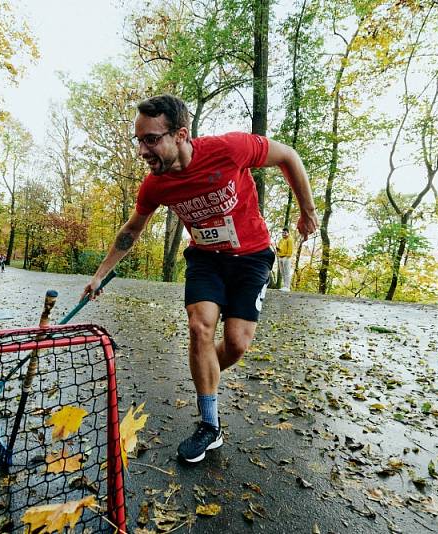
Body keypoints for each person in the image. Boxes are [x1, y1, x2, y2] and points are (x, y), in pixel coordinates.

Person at [82, 95, 318, 464]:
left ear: (180, 134)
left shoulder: (230, 149)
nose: (143, 150)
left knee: (237, 344)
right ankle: (210, 424)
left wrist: (307, 211)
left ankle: (202, 368)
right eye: (139, 140)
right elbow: (131, 231)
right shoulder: (156, 185)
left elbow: (288, 155)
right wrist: (99, 275)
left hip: (252, 257)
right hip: (206, 259)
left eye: (151, 139)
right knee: (200, 327)